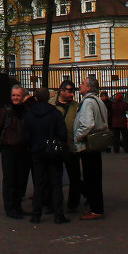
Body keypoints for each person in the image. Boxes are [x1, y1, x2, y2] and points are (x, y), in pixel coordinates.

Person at [21, 88, 70, 224]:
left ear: (35, 98)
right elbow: (62, 133)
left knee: (39, 184)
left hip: (37, 152)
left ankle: (36, 214)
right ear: (48, 98)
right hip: (53, 151)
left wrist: (33, 146)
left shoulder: (30, 115)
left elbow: (26, 136)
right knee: (56, 183)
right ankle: (58, 214)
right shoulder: (55, 113)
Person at [0, 84, 30, 219]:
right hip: (9, 149)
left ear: (23, 97)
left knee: (21, 179)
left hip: (23, 149)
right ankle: (10, 208)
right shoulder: (6, 111)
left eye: (18, 95)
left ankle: (17, 206)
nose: (15, 98)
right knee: (10, 179)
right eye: (13, 95)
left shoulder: (26, 110)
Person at [73, 76, 107, 220]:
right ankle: (97, 206)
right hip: (98, 143)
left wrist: (77, 137)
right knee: (96, 177)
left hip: (88, 144)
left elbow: (87, 124)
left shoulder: (87, 102)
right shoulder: (99, 101)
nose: (79, 85)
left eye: (82, 84)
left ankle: (96, 209)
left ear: (88, 87)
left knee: (90, 177)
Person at [50, 79, 82, 212]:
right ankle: (54, 203)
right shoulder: (51, 105)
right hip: (55, 146)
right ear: (61, 90)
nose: (72, 94)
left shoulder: (76, 106)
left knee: (74, 176)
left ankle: (73, 204)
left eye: (73, 91)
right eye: (69, 91)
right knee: (54, 176)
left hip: (71, 146)